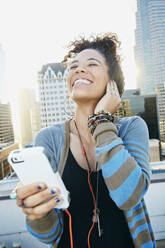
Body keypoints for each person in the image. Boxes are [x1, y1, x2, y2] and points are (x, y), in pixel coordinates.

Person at [16, 33, 156, 248]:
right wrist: (38, 214)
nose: (78, 70)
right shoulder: (49, 139)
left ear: (112, 84)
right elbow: (49, 237)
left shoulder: (131, 127)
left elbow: (129, 196)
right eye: (73, 66)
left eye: (92, 64)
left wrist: (100, 121)